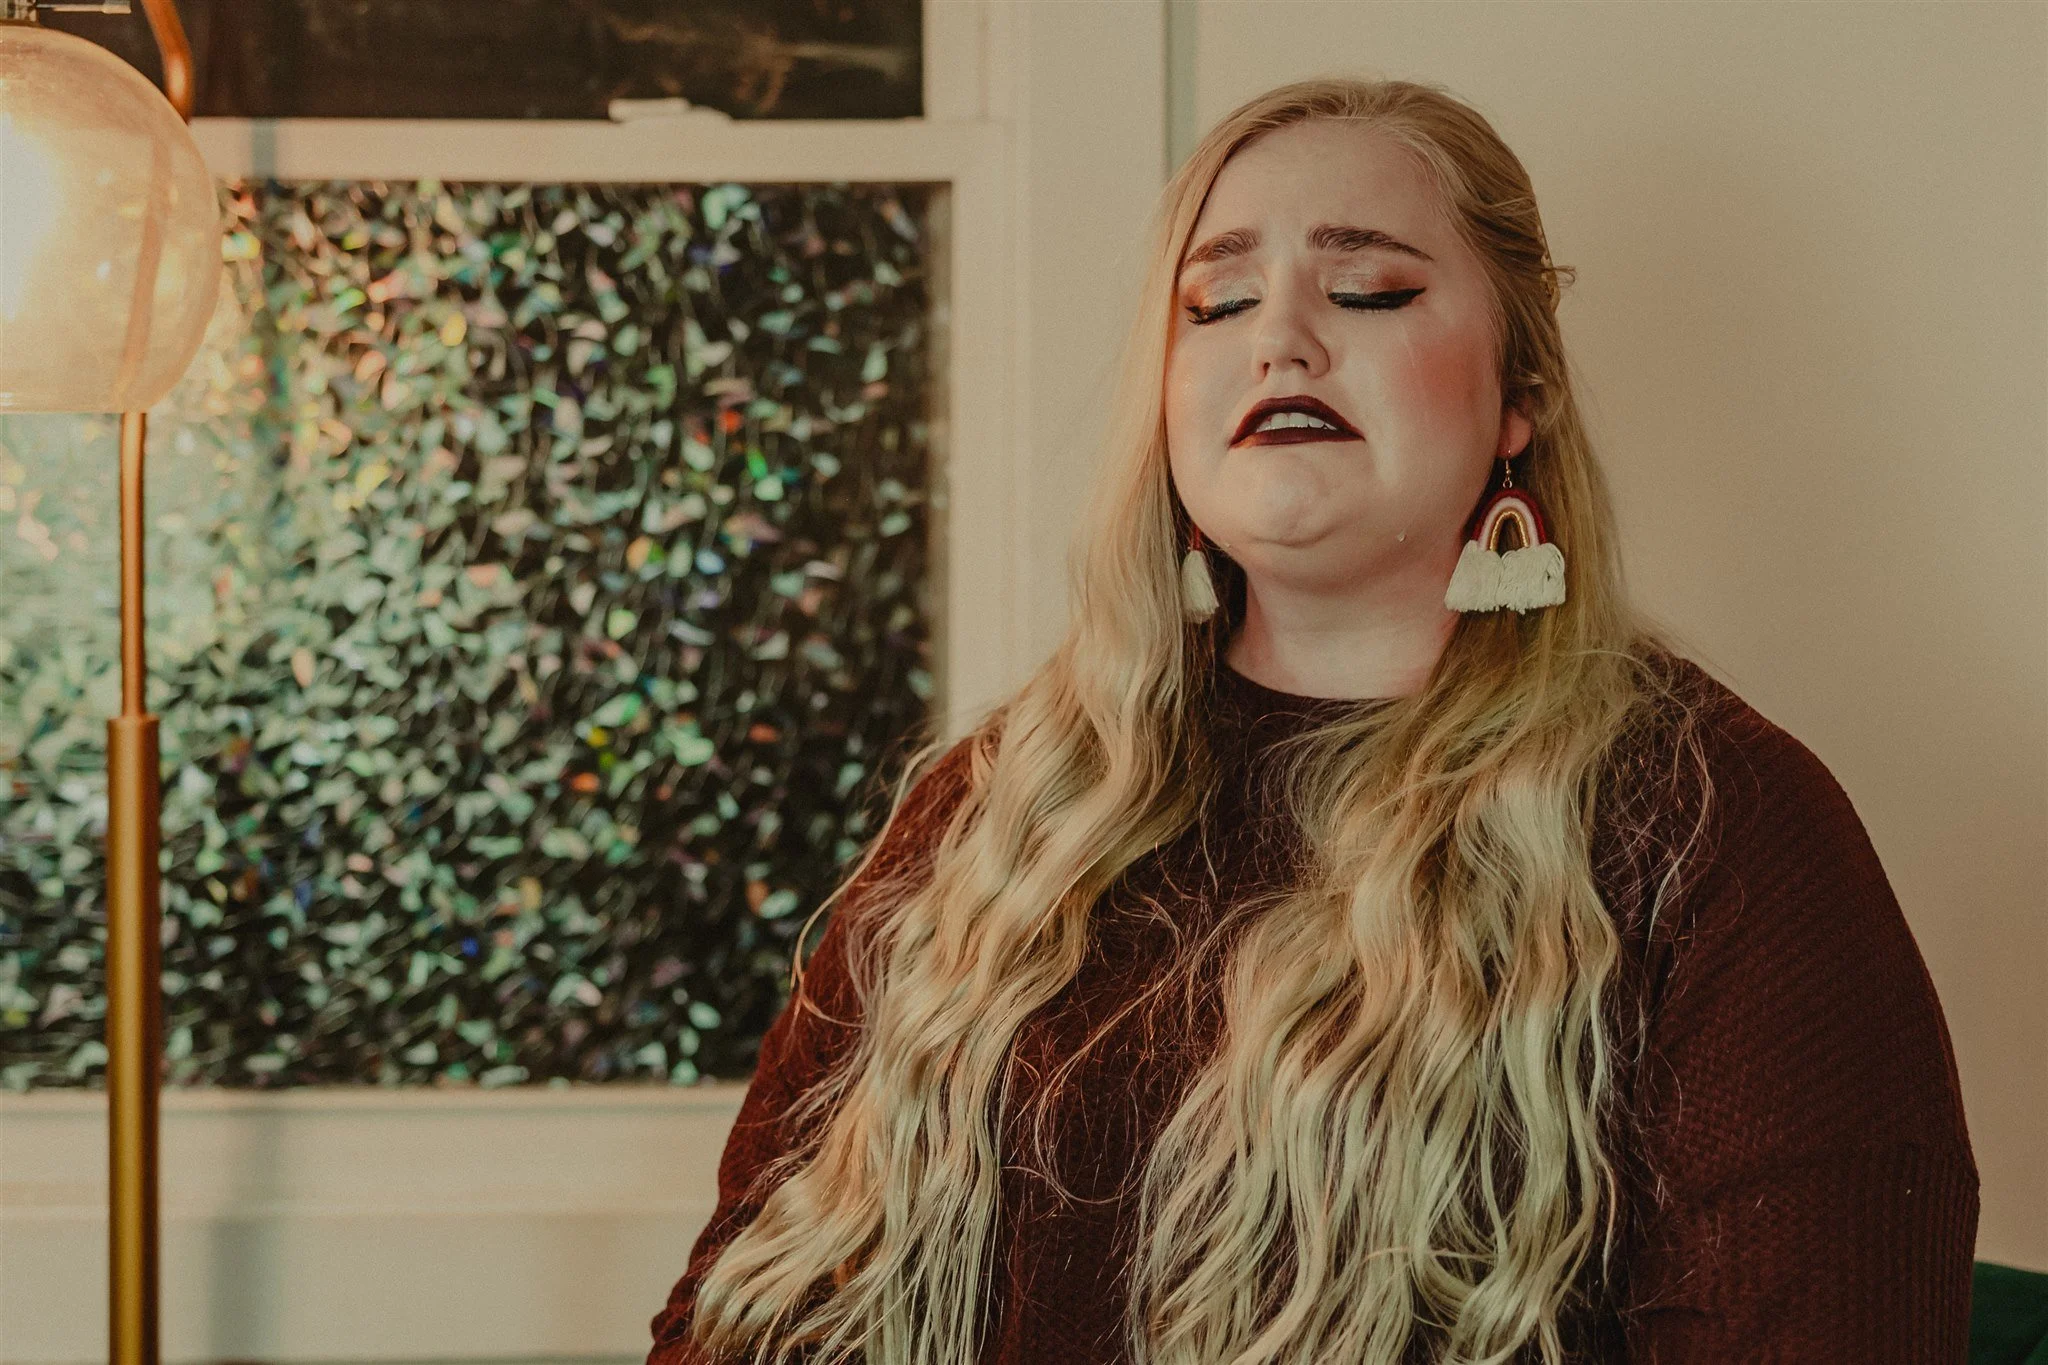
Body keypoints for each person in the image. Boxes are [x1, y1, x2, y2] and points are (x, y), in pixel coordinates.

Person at [648, 76, 1977, 1364]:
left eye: (1370, 290)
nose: (1280, 339)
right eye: (1214, 303)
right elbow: (734, 1313)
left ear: (1525, 395)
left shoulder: (1715, 827)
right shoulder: (996, 807)